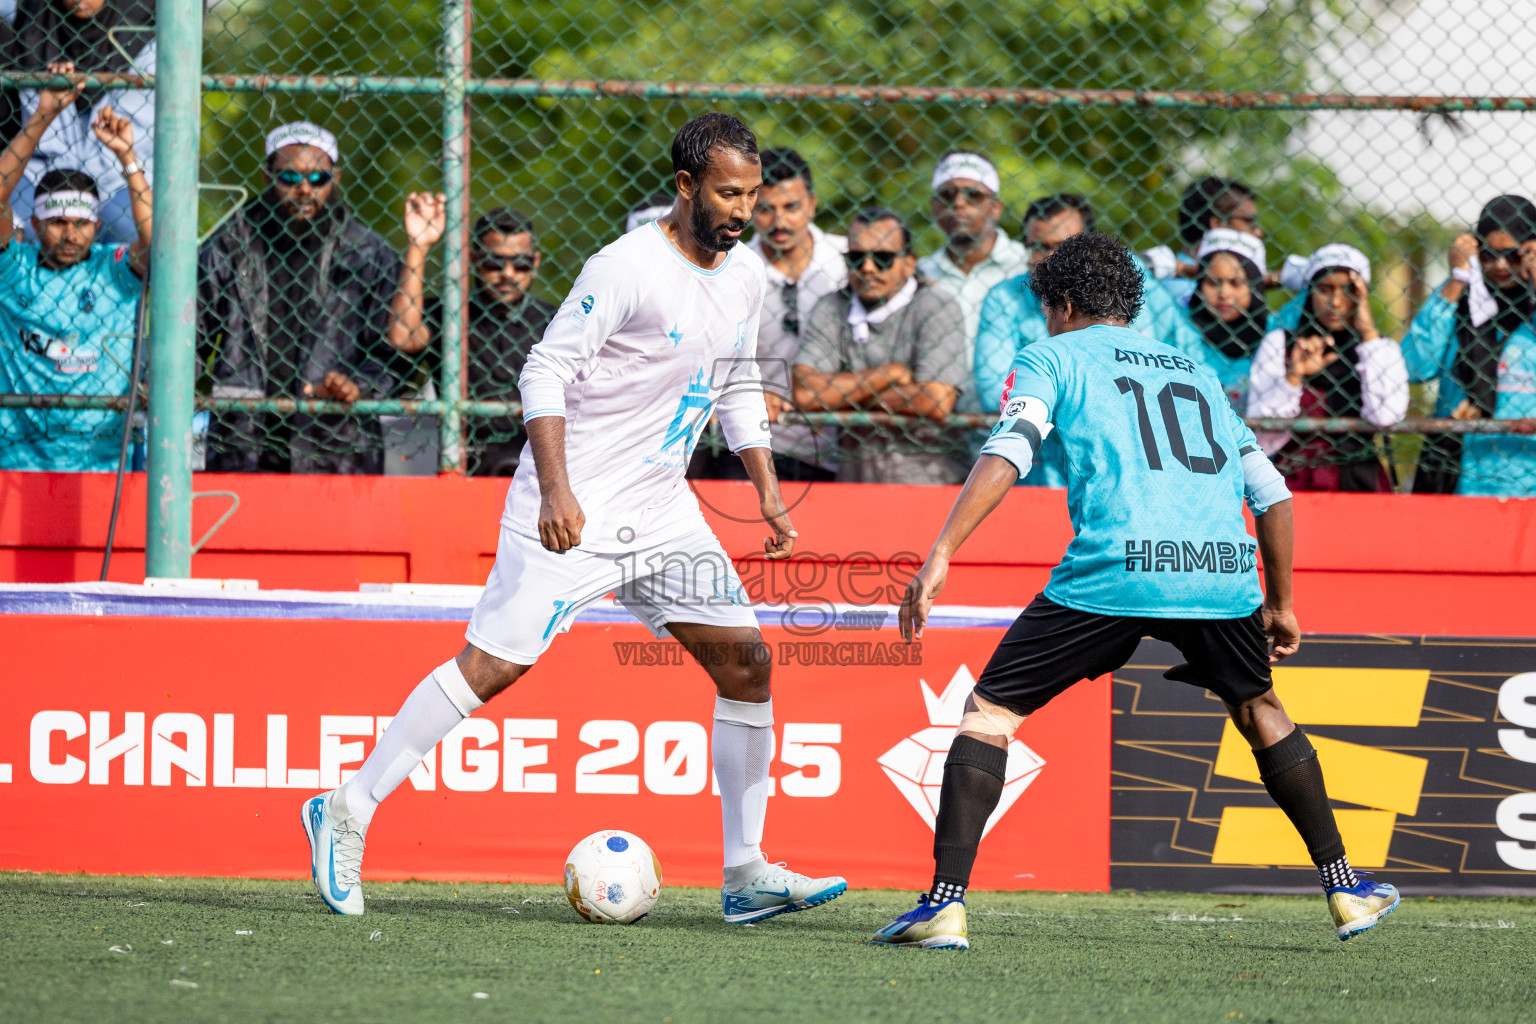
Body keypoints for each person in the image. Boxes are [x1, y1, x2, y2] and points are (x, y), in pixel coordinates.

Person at [300, 112, 847, 923]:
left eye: (754, 194)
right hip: (575, 509)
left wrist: (763, 483)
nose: (744, 211)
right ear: (687, 186)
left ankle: (745, 873)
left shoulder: (746, 276)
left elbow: (735, 382)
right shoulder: (623, 268)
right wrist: (557, 491)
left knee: (748, 666)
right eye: (729, 194)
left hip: (664, 515)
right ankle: (346, 806)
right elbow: (544, 373)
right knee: (493, 665)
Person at [871, 231, 1400, 951]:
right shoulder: (1197, 370)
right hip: (1218, 572)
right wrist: (1279, 603)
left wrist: (940, 553)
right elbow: (1273, 497)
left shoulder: (1050, 356)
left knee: (991, 714)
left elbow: (1010, 449)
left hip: (1114, 568)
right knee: (1260, 706)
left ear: (1060, 304)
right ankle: (1345, 888)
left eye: (1046, 310)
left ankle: (944, 903)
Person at [197, 122, 416, 474]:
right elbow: (193, 334)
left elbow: (395, 355)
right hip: (242, 444)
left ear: (336, 178)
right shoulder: (229, 245)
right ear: (268, 177)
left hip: (337, 449)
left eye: (317, 179)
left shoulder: (369, 254)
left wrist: (358, 386)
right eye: (289, 178)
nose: (304, 190)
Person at [973, 194, 1188, 486]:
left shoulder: (1132, 280)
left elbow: (1178, 362)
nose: (1046, 258)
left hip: (1127, 460)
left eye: (1058, 247)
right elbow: (995, 391)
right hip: (1037, 468)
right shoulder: (1003, 297)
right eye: (1035, 246)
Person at [0, 64, 151, 471]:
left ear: (97, 226)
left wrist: (127, 156)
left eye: (81, 224)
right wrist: (43, 115)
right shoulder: (13, 270)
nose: (70, 235)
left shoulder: (113, 270)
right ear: (34, 224)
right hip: (17, 464)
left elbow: (158, 245)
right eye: (57, 223)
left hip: (102, 466)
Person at [793, 207, 970, 484]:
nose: (867, 267)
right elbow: (806, 394)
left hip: (933, 481)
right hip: (856, 483)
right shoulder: (832, 306)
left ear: (909, 263)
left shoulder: (936, 305)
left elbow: (935, 399)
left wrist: (843, 399)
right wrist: (889, 375)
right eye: (856, 257)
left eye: (883, 258)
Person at [391, 204, 558, 476]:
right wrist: (418, 247)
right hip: (467, 462)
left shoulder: (553, 321)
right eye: (494, 262)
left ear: (535, 263)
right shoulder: (450, 314)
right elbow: (403, 336)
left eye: (520, 263)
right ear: (474, 260)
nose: (508, 273)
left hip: (538, 463)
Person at [1402, 195, 1536, 495]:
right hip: (1455, 475)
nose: (1500, 265)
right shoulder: (1458, 298)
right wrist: (1455, 281)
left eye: (1513, 255)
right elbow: (1414, 368)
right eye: (1489, 254)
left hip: (1526, 479)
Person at [1246, 244, 1408, 492]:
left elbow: (1385, 416)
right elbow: (1262, 437)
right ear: (1310, 292)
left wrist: (1367, 332)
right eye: (1325, 289)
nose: (1336, 301)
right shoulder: (1280, 344)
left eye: (1349, 290)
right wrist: (1294, 376)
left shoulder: (1380, 350)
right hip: (1293, 481)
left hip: (1362, 482)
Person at [7, 0, 157, 244]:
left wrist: (128, 159)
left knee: (130, 229)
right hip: (41, 173)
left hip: (118, 177)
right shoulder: (34, 21)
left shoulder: (149, 27)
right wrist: (47, 110)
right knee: (15, 229)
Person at [745, 146, 844, 481]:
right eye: (765, 210)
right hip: (754, 447)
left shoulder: (850, 260)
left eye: (791, 207)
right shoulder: (733, 269)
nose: (779, 221)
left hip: (840, 447)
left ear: (812, 204)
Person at [916, 151, 1029, 414]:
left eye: (973, 195)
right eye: (947, 195)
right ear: (933, 206)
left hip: (1017, 419)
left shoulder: (1025, 266)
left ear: (996, 207)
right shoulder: (919, 274)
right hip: (938, 424)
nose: (959, 203)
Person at [1172, 228, 1272, 412]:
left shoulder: (1272, 334)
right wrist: (1180, 268)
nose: (1223, 294)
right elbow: (1132, 268)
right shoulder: (1179, 325)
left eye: (1235, 283)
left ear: (1255, 286)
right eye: (1212, 282)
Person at [1142, 177, 1260, 301]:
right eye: (1249, 221)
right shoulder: (1187, 294)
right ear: (1219, 225)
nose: (1258, 232)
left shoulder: (1161, 281)